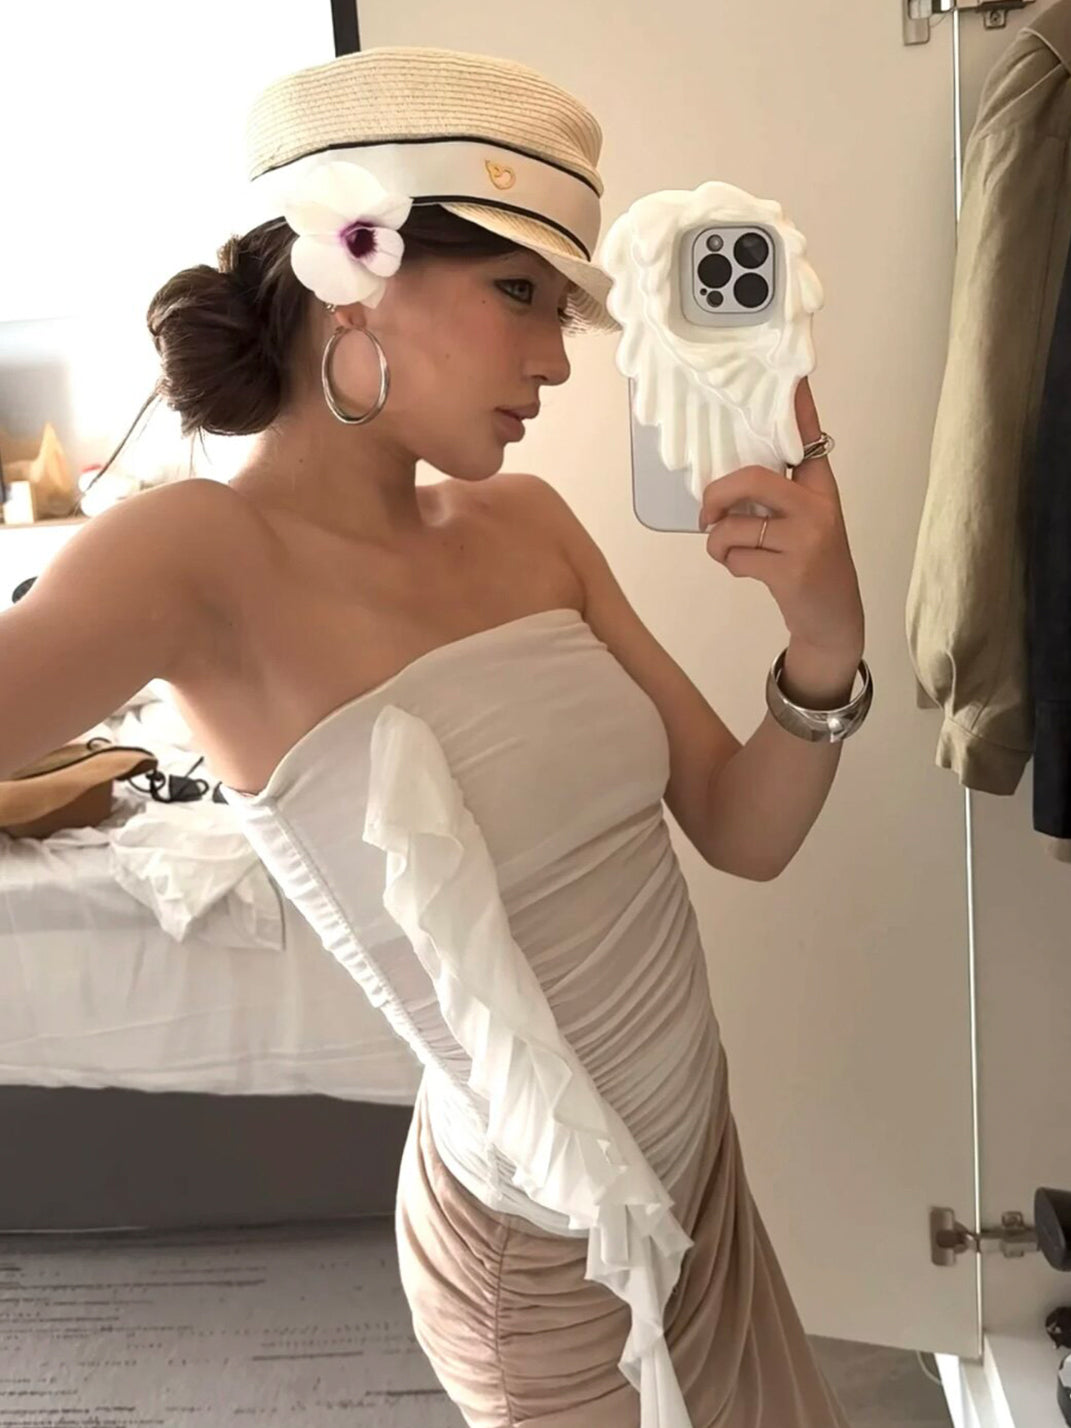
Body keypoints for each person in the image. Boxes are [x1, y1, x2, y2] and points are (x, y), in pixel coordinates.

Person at [2, 44, 870, 1428]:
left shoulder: (527, 525)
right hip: (549, 1256)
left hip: (698, 1174)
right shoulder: (199, 556)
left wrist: (824, 644)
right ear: (352, 271)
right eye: (519, 292)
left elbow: (740, 828)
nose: (555, 359)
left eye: (561, 311)